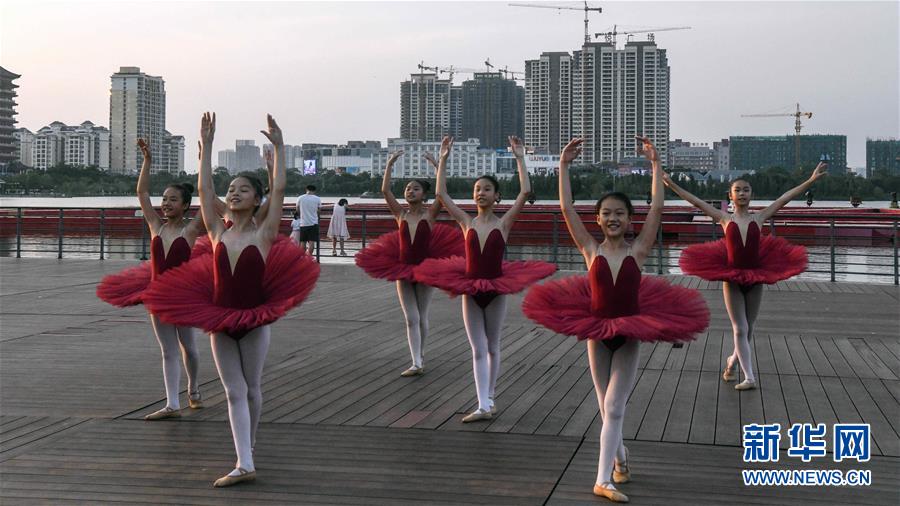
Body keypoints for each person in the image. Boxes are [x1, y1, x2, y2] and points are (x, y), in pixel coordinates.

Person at [522, 137, 709, 502]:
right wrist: (563, 166)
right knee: (604, 406)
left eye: (620, 213)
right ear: (598, 218)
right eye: (606, 213)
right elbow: (565, 207)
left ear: (628, 220)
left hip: (630, 332)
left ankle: (602, 480)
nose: (613, 218)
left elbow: (656, 208)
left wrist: (656, 166)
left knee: (613, 407)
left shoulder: (637, 251)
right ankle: (621, 460)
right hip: (596, 330)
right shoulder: (590, 250)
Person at [144, 113, 320, 487]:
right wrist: (206, 147)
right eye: (233, 189)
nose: (235, 193)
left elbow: (280, 190)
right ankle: (244, 462)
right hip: (221, 320)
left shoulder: (265, 233)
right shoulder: (216, 232)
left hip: (254, 321)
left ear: (257, 199)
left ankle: (249, 447)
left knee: (252, 388)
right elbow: (205, 192)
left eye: (243, 189)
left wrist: (279, 148)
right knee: (232, 390)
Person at [414, 136, 556, 422]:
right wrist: (443, 159)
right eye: (477, 189)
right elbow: (441, 194)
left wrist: (519, 157)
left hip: (496, 289)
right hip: (470, 289)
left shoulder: (504, 223)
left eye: (487, 189)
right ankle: (482, 404)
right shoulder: (466, 222)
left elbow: (526, 191)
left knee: (493, 346)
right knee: (477, 349)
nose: (481, 193)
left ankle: (490, 397)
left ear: (496, 196)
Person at [664, 164, 826, 391]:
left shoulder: (759, 218)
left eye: (746, 190)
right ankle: (749, 377)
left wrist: (810, 180)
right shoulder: (724, 219)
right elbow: (696, 202)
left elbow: (784, 198)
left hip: (756, 277)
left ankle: (731, 361)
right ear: (730, 195)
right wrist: (671, 184)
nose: (742, 193)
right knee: (739, 329)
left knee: (748, 329)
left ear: (751, 195)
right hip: (731, 279)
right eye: (737, 190)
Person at [96, 138, 206, 420]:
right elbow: (142, 193)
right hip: (157, 296)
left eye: (172, 200)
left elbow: (208, 198)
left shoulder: (191, 230)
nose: (166, 204)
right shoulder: (155, 226)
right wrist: (147, 161)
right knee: (168, 351)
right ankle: (172, 404)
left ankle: (193, 389)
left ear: (185, 205)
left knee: (189, 348)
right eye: (165, 199)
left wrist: (203, 157)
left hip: (184, 297)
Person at [355, 151, 463, 376]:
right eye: (407, 188)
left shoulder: (430, 214)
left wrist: (437, 166)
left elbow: (441, 193)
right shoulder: (400, 214)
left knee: (422, 316)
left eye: (415, 188)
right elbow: (385, 191)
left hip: (425, 269)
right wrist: (390, 165)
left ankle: (420, 356)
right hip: (402, 269)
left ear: (424, 195)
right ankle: (416, 362)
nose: (410, 191)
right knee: (411, 318)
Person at [296, 184, 321, 255]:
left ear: (306, 190)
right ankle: (309, 258)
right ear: (314, 191)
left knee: (302, 242)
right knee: (311, 242)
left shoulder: (300, 198)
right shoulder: (317, 199)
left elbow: (297, 209)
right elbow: (319, 210)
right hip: (313, 223)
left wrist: (301, 215)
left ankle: (302, 258)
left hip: (303, 223)